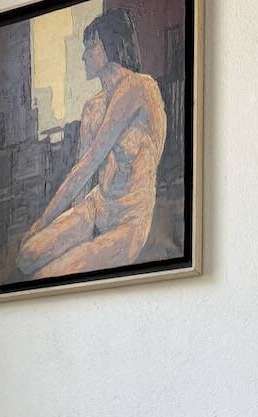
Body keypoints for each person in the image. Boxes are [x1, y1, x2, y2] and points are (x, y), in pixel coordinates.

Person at [17, 8, 168, 280]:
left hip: (128, 220)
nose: (84, 55)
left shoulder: (140, 88)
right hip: (97, 206)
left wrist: (43, 220)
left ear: (112, 43)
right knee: (27, 255)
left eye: (91, 46)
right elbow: (81, 175)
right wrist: (72, 226)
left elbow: (90, 163)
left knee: (46, 275)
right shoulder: (93, 107)